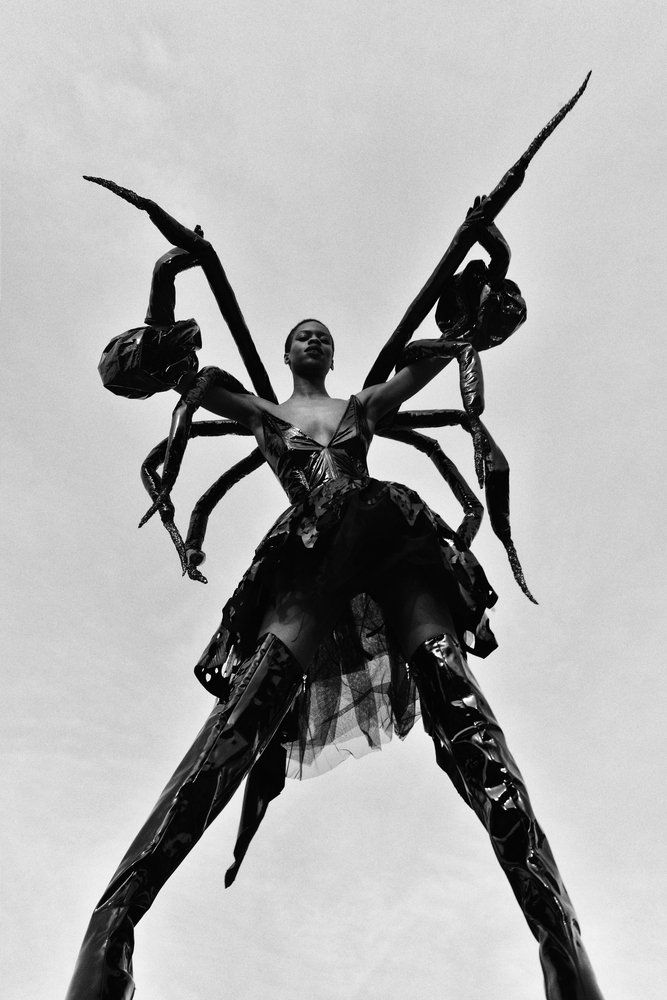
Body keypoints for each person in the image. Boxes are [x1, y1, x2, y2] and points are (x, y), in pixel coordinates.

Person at [65, 286, 605, 996]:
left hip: (389, 531)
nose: (313, 340)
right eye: (302, 335)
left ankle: (561, 944)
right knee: (244, 714)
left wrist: (470, 322)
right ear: (287, 354)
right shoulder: (258, 411)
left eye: (322, 334)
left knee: (457, 701)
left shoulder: (363, 407)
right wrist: (164, 319)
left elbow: (432, 364)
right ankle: (110, 931)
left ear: (331, 353)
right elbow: (180, 381)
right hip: (310, 546)